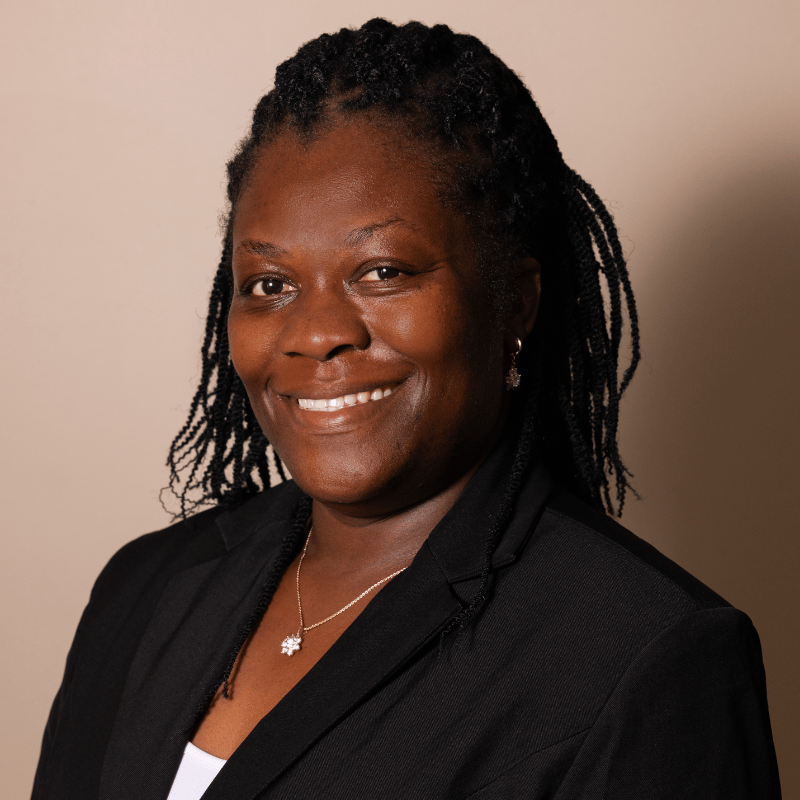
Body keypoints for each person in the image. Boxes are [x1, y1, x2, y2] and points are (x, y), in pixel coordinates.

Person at [32, 18, 781, 800]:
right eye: (270, 285)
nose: (316, 333)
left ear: (516, 301)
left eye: (383, 271)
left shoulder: (642, 656)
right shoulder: (148, 588)